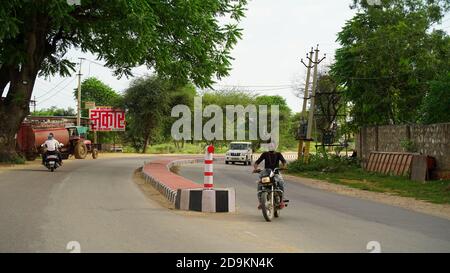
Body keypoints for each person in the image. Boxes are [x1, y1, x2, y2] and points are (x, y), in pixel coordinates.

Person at [253, 143, 287, 208]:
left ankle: (281, 201)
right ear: (268, 147)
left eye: (272, 146)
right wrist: (256, 168)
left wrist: (284, 166)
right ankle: (261, 202)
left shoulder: (278, 154)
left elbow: (283, 161)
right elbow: (257, 162)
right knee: (260, 184)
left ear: (275, 147)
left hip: (276, 172)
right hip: (266, 173)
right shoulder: (265, 154)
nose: (271, 147)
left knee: (281, 182)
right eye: (270, 146)